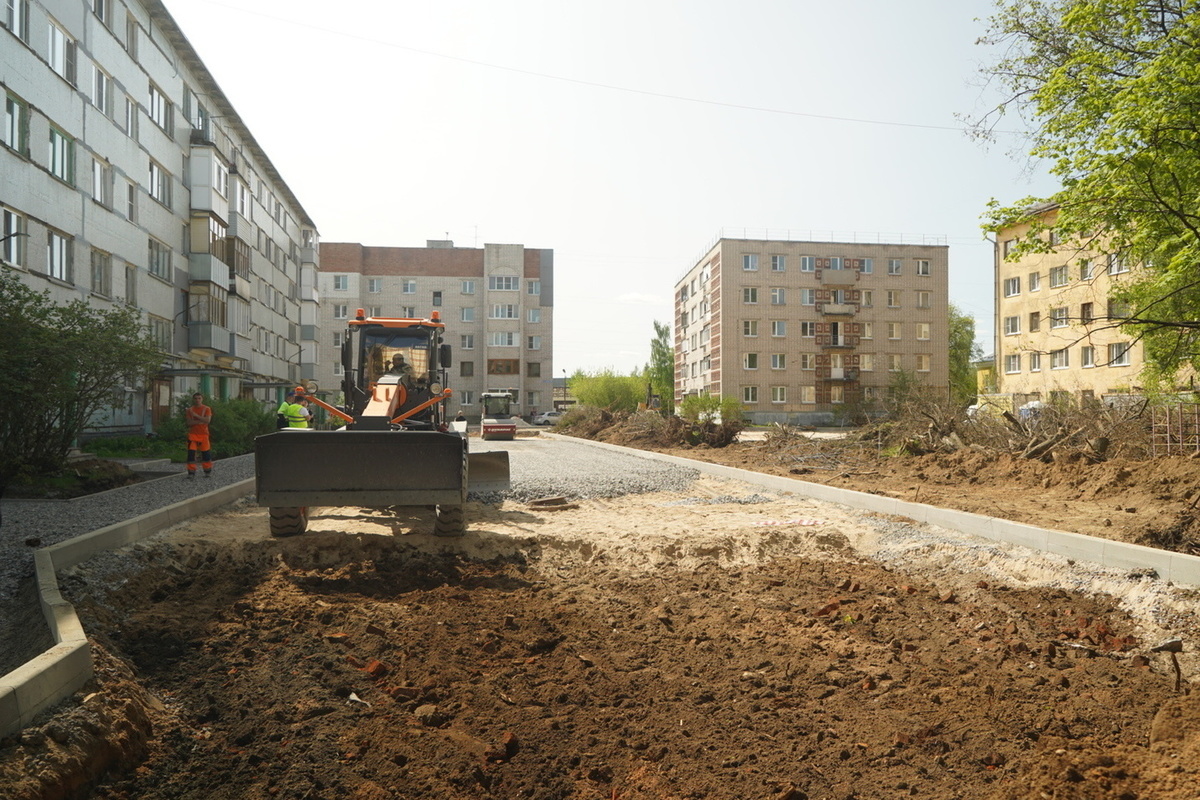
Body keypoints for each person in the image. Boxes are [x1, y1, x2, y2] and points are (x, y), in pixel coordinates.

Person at [185, 393, 213, 477]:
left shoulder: (207, 409)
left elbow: (208, 420)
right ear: (193, 399)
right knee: (191, 454)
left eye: (199, 398)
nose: (197, 400)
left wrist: (196, 416)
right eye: (196, 398)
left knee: (206, 453)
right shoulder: (189, 410)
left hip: (204, 434)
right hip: (192, 435)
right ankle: (191, 472)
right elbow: (189, 423)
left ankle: (207, 471)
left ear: (202, 399)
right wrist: (201, 421)